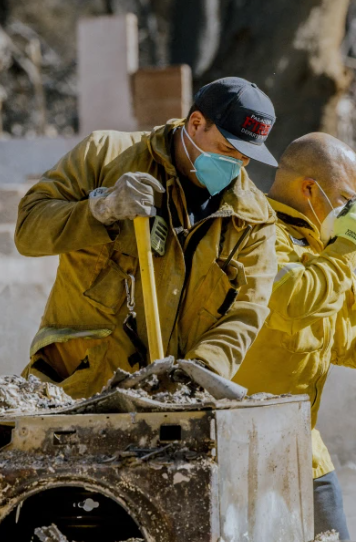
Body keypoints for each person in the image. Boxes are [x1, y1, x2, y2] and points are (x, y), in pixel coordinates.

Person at [16, 77, 280, 398]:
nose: (236, 163)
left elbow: (245, 313)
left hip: (166, 402)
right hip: (72, 389)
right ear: (196, 123)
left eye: (245, 157)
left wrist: (199, 375)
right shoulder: (106, 155)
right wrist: (102, 209)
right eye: (227, 149)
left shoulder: (252, 219)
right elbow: (28, 231)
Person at [232, 133, 356, 540]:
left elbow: (350, 335)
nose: (353, 210)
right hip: (238, 443)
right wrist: (347, 248)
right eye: (345, 198)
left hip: (301, 445)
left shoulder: (324, 245)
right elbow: (292, 303)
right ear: (309, 189)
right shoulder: (252, 231)